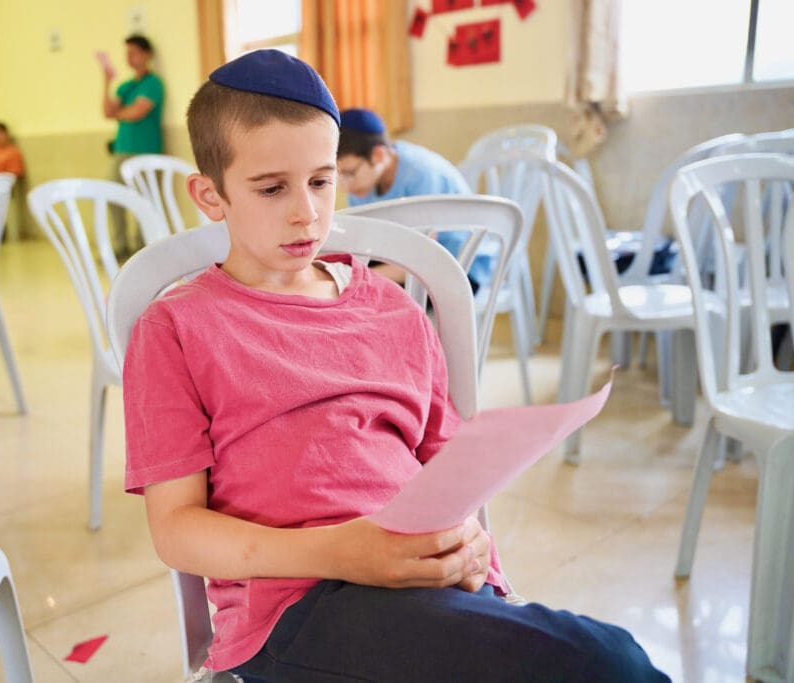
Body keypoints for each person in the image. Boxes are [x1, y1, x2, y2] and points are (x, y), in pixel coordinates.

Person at [122, 50, 670, 682]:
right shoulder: (176, 327)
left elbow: (449, 468)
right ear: (209, 195)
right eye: (272, 188)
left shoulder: (391, 307)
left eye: (322, 181)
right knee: (606, 666)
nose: (307, 212)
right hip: (296, 609)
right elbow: (177, 530)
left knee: (610, 658)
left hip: (425, 582)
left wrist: (470, 541)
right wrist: (342, 552)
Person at [337, 107, 490, 289]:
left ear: (378, 155)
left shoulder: (421, 173)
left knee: (361, 289)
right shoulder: (362, 183)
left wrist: (359, 276)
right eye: (337, 174)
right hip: (406, 257)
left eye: (349, 173)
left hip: (460, 268)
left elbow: (423, 259)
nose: (344, 186)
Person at [101, 33, 164, 259]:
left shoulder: (153, 83)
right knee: (112, 195)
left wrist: (119, 113)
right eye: (127, 53)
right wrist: (107, 80)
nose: (129, 57)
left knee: (144, 201)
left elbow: (137, 112)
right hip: (122, 150)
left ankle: (141, 249)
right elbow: (107, 111)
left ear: (146, 54)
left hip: (146, 151)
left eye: (134, 53)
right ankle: (120, 247)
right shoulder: (126, 86)